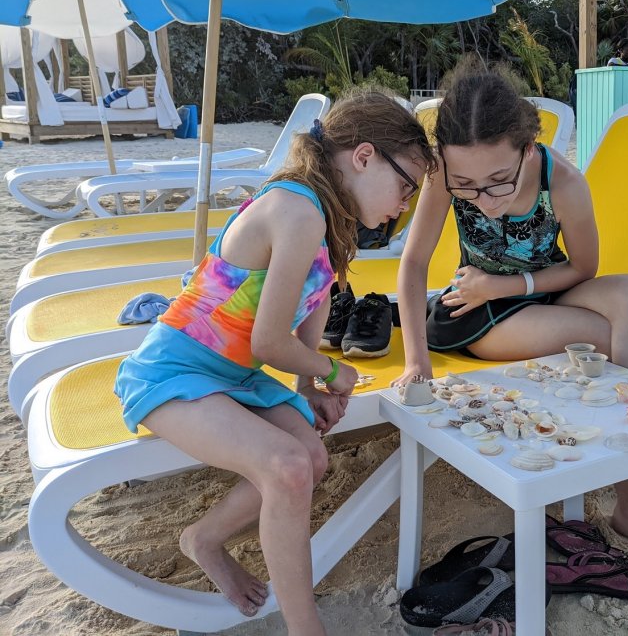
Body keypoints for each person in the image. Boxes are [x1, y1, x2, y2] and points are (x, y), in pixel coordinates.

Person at [114, 90, 435, 636]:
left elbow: (308, 309)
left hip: (232, 377)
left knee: (310, 457)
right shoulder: (296, 208)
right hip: (174, 371)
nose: (404, 204)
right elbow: (267, 339)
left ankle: (204, 538)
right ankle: (306, 629)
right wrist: (338, 373)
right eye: (406, 184)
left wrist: (308, 383)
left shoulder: (329, 220)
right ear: (363, 156)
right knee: (287, 468)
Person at [394, 71, 628, 572]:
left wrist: (504, 284)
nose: (485, 201)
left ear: (527, 147)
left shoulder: (563, 181)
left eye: (499, 181)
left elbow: (584, 267)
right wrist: (416, 359)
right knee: (618, 342)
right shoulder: (439, 175)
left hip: (533, 291)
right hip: (476, 312)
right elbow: (412, 265)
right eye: (466, 186)